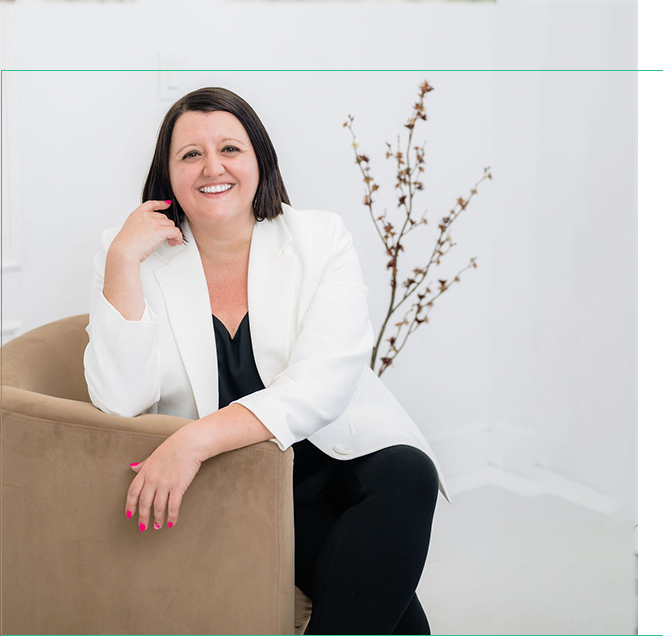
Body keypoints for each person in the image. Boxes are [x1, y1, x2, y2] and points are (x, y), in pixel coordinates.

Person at [83, 86, 452, 635]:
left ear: (260, 160)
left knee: (409, 472)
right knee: (401, 622)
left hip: (333, 447)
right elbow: (119, 399)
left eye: (230, 148)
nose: (213, 167)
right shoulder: (130, 253)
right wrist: (121, 262)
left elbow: (325, 382)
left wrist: (193, 439)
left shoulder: (319, 237)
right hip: (246, 478)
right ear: (168, 173)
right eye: (191, 154)